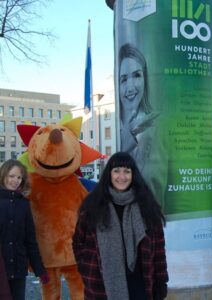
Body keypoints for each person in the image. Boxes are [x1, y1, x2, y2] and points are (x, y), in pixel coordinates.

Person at [73, 152, 168, 300]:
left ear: (133, 175)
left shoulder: (146, 205)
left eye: (127, 171)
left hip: (140, 284)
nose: (121, 177)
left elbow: (159, 249)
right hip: (102, 284)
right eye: (116, 171)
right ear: (109, 174)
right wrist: (86, 267)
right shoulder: (94, 204)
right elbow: (78, 241)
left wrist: (161, 281)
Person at [0, 159, 49, 300]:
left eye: (19, 177)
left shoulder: (24, 204)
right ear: (3, 175)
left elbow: (30, 239)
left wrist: (40, 270)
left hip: (18, 268)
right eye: (11, 176)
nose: (15, 180)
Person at [119, 43, 160, 172]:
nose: (130, 88)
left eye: (137, 75)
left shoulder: (157, 127)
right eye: (123, 79)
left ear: (145, 79)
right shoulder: (118, 128)